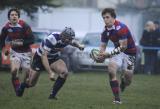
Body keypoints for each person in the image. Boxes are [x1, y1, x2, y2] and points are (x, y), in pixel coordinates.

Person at [17, 27, 84, 99]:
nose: (69, 40)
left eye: (71, 38)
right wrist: (50, 72)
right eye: (69, 38)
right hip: (40, 58)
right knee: (31, 83)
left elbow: (73, 42)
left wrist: (79, 46)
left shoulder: (67, 39)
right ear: (63, 35)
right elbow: (44, 56)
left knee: (64, 72)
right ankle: (23, 85)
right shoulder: (52, 39)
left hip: (53, 58)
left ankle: (52, 96)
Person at [95, 8, 137, 104]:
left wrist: (108, 54)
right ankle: (117, 99)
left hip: (130, 53)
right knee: (111, 70)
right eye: (103, 18)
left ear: (113, 17)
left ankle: (123, 82)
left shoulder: (121, 28)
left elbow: (123, 47)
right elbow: (102, 45)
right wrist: (100, 55)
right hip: (118, 53)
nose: (105, 19)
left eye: (107, 17)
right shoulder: (105, 30)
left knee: (128, 79)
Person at [0, 8, 34, 96]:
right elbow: (2, 40)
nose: (14, 16)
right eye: (12, 15)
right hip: (15, 52)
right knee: (14, 71)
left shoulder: (24, 26)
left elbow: (32, 40)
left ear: (18, 17)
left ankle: (22, 86)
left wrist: (19, 43)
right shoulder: (6, 28)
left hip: (26, 53)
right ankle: (18, 90)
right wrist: (4, 49)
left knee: (27, 75)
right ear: (9, 17)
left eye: (16, 15)